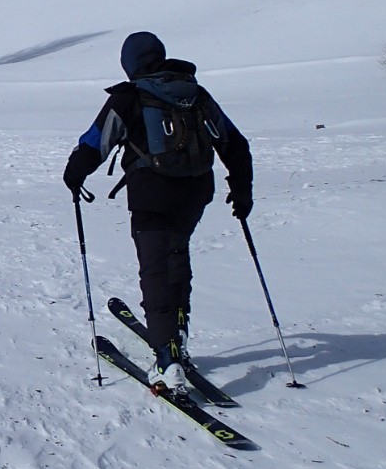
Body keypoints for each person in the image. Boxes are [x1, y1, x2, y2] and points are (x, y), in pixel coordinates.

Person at [63, 31, 253, 394]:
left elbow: (95, 141)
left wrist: (74, 175)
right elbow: (235, 143)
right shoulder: (194, 93)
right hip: (196, 191)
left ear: (130, 64)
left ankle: (167, 357)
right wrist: (242, 192)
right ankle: (178, 331)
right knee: (177, 253)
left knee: (155, 267)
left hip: (151, 191)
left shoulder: (130, 95)